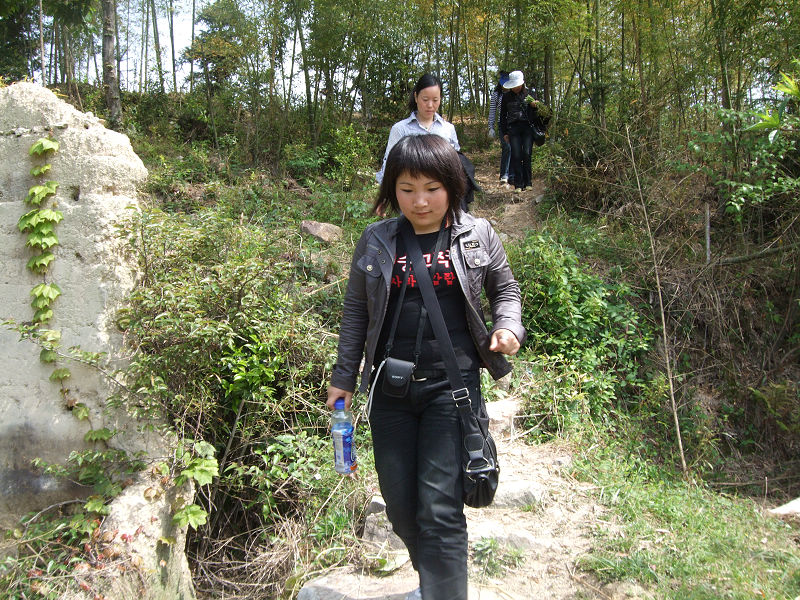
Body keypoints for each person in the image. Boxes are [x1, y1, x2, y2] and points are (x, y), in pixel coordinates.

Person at [327, 135, 525, 600]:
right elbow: (356, 311)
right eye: (406, 188)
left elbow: (506, 290)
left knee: (439, 508)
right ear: (391, 189)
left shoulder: (478, 234)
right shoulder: (377, 239)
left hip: (451, 389)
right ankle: (434, 584)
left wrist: (508, 328)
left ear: (453, 186)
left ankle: (443, 593)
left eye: (432, 188)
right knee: (400, 507)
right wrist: (343, 378)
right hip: (388, 390)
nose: (419, 201)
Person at [375, 73, 460, 185]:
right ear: (416, 97)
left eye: (435, 100)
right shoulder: (401, 129)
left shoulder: (448, 129)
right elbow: (389, 166)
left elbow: (457, 165)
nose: (430, 105)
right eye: (425, 99)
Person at [499, 70, 546, 191]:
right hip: (513, 129)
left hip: (527, 128)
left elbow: (538, 114)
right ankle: (518, 184)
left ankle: (528, 182)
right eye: (513, 86)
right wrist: (504, 132)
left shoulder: (530, 95)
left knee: (526, 153)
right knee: (516, 155)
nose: (515, 88)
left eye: (517, 85)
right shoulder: (506, 97)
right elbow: (503, 116)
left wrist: (536, 106)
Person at [488, 71, 512, 186]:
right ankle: (504, 174)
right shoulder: (496, 95)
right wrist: (490, 127)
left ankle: (513, 174)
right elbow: (492, 111)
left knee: (515, 148)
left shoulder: (514, 93)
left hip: (514, 124)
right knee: (506, 147)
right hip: (502, 124)